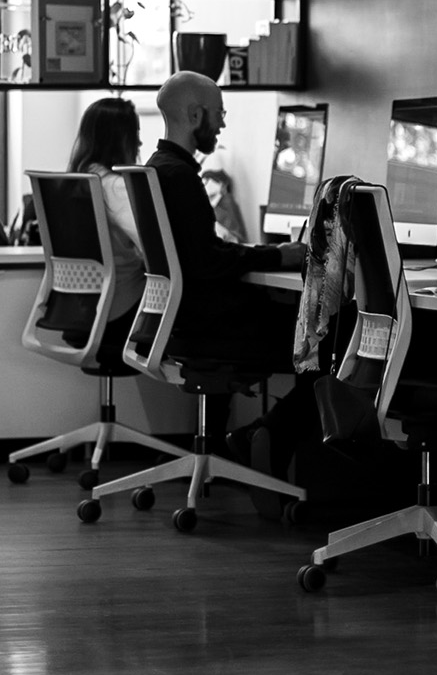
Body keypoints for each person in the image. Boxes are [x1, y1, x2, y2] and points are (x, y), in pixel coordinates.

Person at [149, 71, 316, 487]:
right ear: (194, 114)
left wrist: (266, 254)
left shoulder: (159, 168)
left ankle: (240, 443)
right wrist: (279, 253)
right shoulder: (181, 176)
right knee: (322, 341)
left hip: (182, 323)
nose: (222, 123)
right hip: (208, 326)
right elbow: (208, 261)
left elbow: (200, 255)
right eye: (219, 113)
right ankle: (266, 434)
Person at [68, 97, 145, 369]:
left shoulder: (76, 181)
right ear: (121, 139)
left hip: (82, 311)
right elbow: (154, 249)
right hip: (121, 311)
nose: (139, 144)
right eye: (135, 135)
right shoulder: (114, 186)